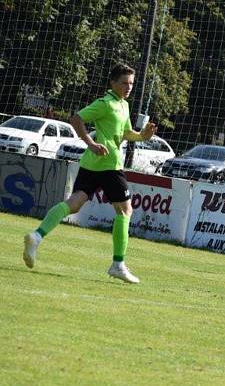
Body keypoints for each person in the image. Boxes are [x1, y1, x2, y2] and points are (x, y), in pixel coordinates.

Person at [23, 63, 157, 284]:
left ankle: (36, 236)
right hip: (109, 164)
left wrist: (143, 136)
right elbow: (76, 119)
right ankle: (118, 264)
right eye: (124, 82)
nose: (128, 87)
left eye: (131, 83)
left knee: (74, 204)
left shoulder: (122, 105)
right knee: (125, 211)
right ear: (112, 83)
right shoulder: (104, 104)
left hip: (92, 164)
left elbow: (125, 134)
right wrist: (91, 143)